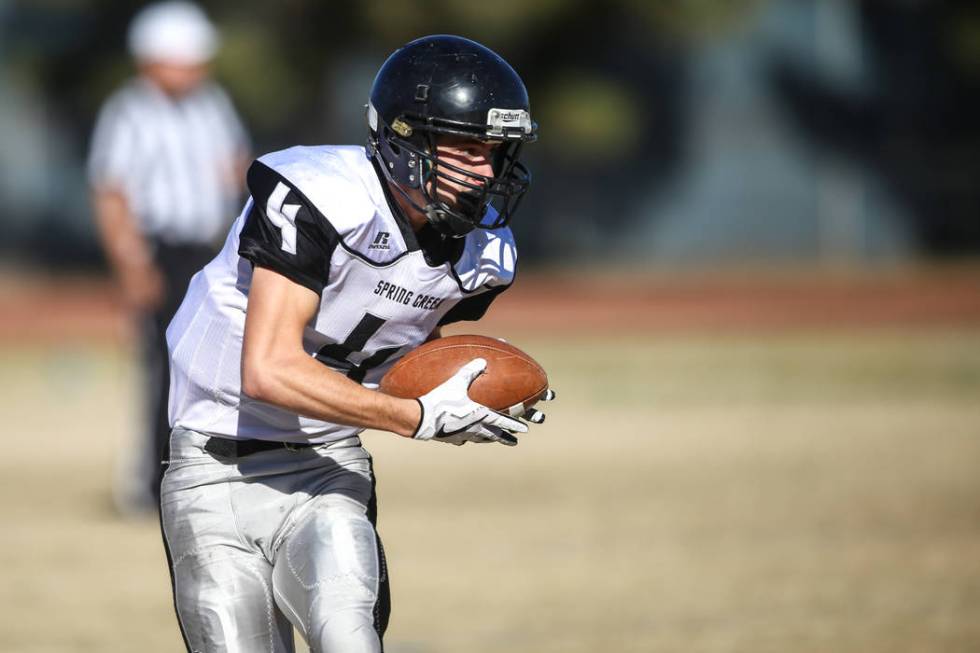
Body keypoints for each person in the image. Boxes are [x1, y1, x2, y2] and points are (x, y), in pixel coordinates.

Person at [161, 34, 554, 652]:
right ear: (403, 142)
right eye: (467, 148)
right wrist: (415, 417)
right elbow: (268, 369)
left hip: (327, 469)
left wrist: (470, 391)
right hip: (211, 472)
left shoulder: (485, 256)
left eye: (496, 151)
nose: (486, 169)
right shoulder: (323, 195)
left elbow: (417, 356)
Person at [87, 1, 250, 515]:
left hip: (210, 249)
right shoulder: (128, 112)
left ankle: (208, 472)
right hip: (163, 251)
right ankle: (152, 481)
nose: (197, 68)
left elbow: (235, 166)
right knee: (164, 367)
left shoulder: (212, 103)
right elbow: (112, 194)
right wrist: (133, 266)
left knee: (220, 361)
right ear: (154, 59)